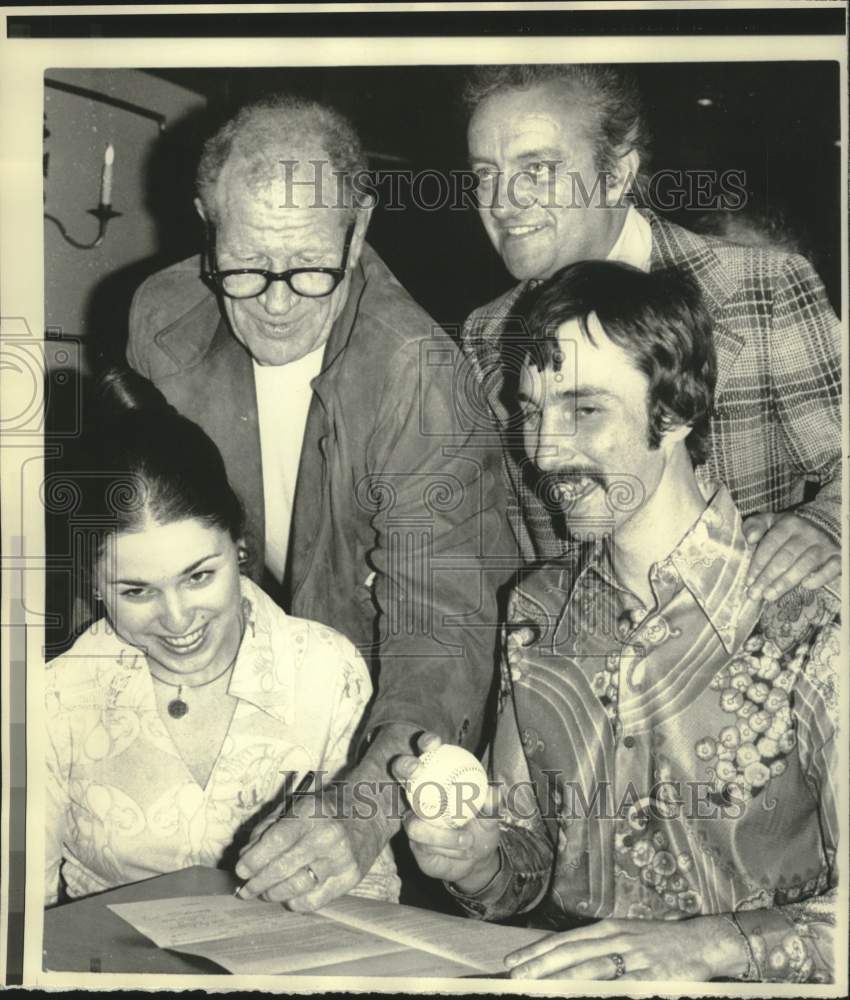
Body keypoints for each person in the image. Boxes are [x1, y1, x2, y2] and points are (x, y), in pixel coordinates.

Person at [395, 262, 839, 983]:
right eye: (532, 410)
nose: (543, 451)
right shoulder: (535, 613)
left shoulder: (813, 614)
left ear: (680, 408)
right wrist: (475, 863)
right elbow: (526, 873)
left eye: (585, 410)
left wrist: (706, 946)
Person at [127, 95, 506, 909]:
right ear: (205, 222)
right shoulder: (160, 321)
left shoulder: (419, 377)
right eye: (244, 263)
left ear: (359, 231)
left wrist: (366, 808)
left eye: (308, 265)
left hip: (371, 732)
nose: (273, 299)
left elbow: (441, 631)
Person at [460, 64, 841, 605]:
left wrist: (827, 525)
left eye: (538, 169)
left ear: (615, 175)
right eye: (485, 174)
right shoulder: (488, 335)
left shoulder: (761, 287)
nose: (501, 202)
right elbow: (508, 538)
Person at [45, 370, 398, 906]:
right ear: (93, 587)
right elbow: (22, 914)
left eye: (199, 576)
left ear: (238, 545)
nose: (179, 618)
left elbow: (371, 889)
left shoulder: (326, 672)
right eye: (137, 592)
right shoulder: (55, 698)